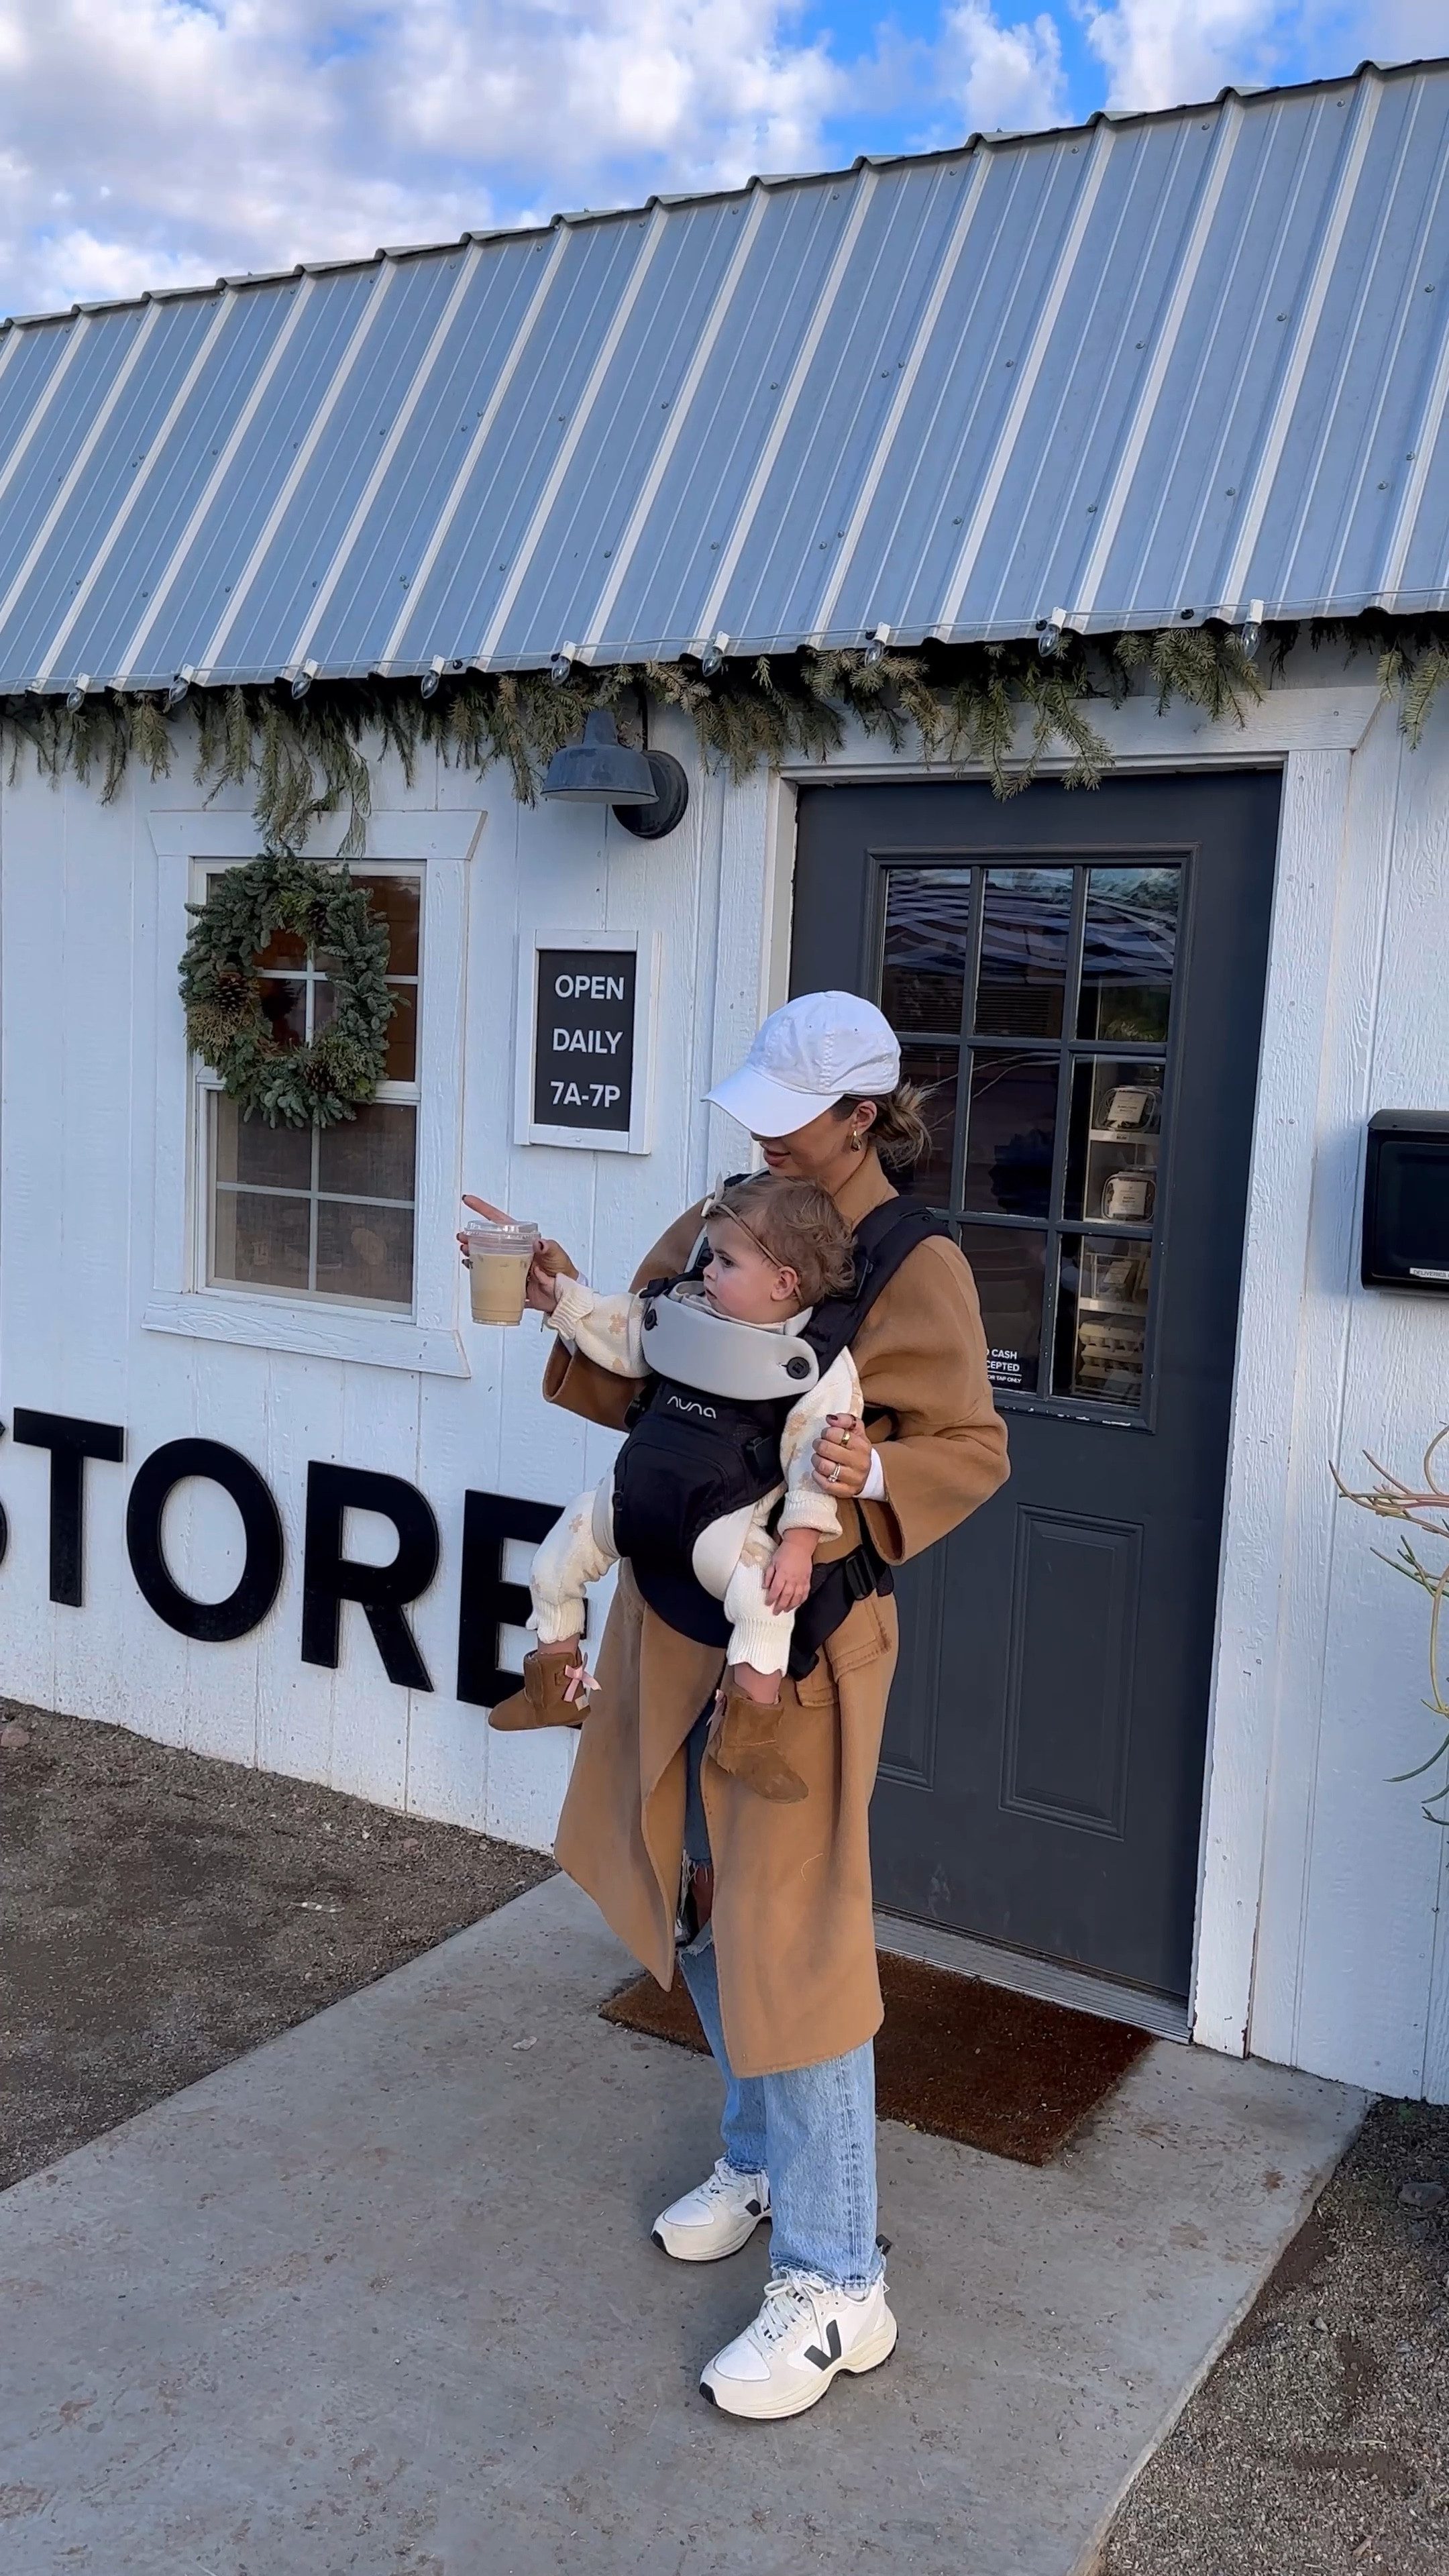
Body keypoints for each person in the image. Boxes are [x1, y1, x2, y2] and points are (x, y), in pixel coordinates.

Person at [467, 990, 1008, 2422]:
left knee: (793, 1934)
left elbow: (968, 1446)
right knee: (690, 1891)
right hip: (665, 1609)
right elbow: (642, 1361)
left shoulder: (913, 1261)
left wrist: (865, 1468)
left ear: (859, 1115)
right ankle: (767, 2154)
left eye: (790, 1106)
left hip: (799, 1645)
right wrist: (554, 1292)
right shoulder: (736, 1208)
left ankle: (839, 2283)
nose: (762, 1127)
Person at [498, 1174, 861, 1805]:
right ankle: (554, 1690)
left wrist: (799, 1545)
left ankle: (748, 1737)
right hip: (629, 1499)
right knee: (556, 1559)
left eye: (726, 1261)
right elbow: (614, 1327)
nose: (708, 1271)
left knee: (767, 1602)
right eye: (710, 1256)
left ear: (784, 1284)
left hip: (721, 1525)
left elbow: (815, 1460)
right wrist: (554, 1297)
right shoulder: (680, 1310)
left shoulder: (816, 1364)